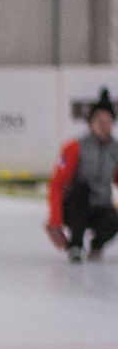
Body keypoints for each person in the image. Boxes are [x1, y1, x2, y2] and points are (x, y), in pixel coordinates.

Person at [46, 89, 118, 264]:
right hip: (75, 207)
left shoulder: (115, 149)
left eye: (108, 121)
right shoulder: (75, 147)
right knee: (81, 189)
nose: (103, 125)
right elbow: (57, 184)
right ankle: (75, 244)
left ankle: (97, 244)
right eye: (99, 121)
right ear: (90, 123)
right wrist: (55, 221)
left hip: (101, 206)